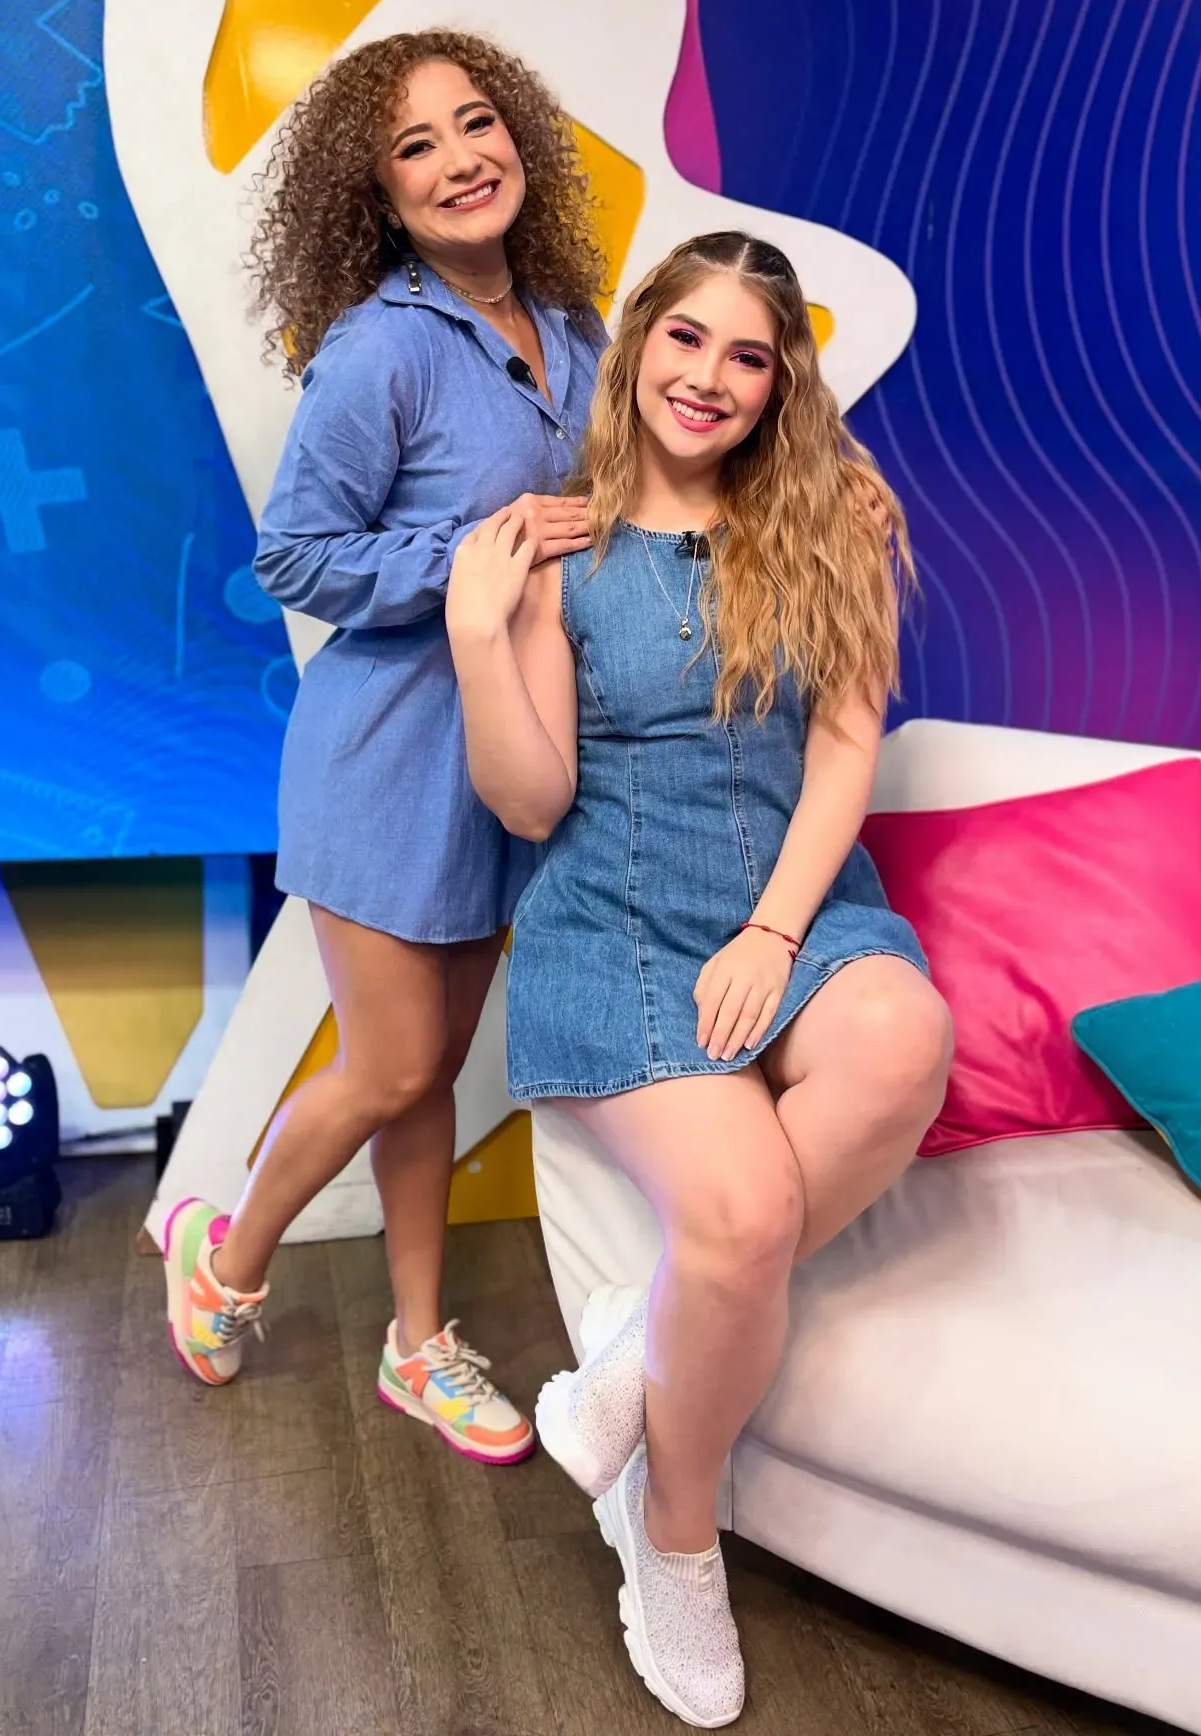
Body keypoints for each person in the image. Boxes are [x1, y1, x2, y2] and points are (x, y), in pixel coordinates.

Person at [445, 232, 953, 1722]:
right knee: (743, 1215)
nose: (711, 377)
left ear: (781, 381)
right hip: (615, 928)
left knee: (904, 1036)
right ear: (639, 344)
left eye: (750, 355)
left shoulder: (833, 523)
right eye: (687, 338)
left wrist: (778, 932)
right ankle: (672, 1537)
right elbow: (530, 803)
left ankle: (627, 1358)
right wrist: (479, 634)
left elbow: (846, 750)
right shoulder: (561, 551)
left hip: (789, 915)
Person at [161, 29, 607, 1469]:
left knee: (430, 1072)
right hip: (384, 762)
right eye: (415, 145)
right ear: (380, 192)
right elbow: (296, 556)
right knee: (391, 1066)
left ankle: (419, 1345)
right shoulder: (380, 349)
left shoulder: (576, 328)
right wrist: (476, 551)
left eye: (476, 122)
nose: (459, 159)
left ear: (518, 136)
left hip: (510, 762)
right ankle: (226, 1259)